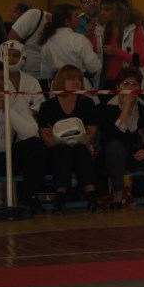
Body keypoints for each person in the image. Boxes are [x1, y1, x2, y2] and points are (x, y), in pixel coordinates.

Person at [100, 67, 144, 209]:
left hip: (141, 152)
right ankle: (117, 194)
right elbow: (110, 136)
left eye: (134, 84)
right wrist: (125, 109)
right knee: (114, 147)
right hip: (117, 156)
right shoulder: (107, 107)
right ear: (118, 87)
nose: (130, 88)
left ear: (139, 88)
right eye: (126, 84)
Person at [37, 65, 100, 214]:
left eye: (79, 79)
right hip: (55, 152)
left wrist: (62, 136)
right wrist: (73, 137)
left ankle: (89, 195)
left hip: (81, 149)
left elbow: (90, 137)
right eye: (71, 79)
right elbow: (47, 140)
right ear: (61, 81)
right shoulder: (47, 106)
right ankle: (63, 197)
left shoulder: (87, 103)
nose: (76, 82)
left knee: (79, 150)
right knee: (64, 150)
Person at [0, 60, 47, 214]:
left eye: (2, 79)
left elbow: (30, 131)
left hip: (7, 156)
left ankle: (31, 197)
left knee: (35, 144)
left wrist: (8, 110)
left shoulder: (15, 98)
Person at [38, 4, 102, 83]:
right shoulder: (78, 39)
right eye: (75, 16)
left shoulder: (47, 41)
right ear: (67, 21)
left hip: (57, 84)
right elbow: (94, 66)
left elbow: (45, 72)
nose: (78, 19)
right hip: (78, 83)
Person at [98, 0, 144, 90]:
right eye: (102, 9)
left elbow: (141, 60)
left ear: (118, 11)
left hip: (126, 82)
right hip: (105, 81)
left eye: (107, 10)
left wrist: (117, 52)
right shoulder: (101, 29)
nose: (102, 13)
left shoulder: (134, 30)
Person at [0, 40, 44, 116]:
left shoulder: (31, 81)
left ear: (23, 58)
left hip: (26, 119)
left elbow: (40, 103)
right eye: (7, 55)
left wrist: (26, 114)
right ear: (0, 57)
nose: (11, 58)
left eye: (15, 55)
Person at [7, 6, 51, 77]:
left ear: (18, 13)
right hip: (47, 73)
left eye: (11, 12)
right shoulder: (38, 16)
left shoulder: (33, 15)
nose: (10, 15)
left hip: (27, 72)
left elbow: (10, 42)